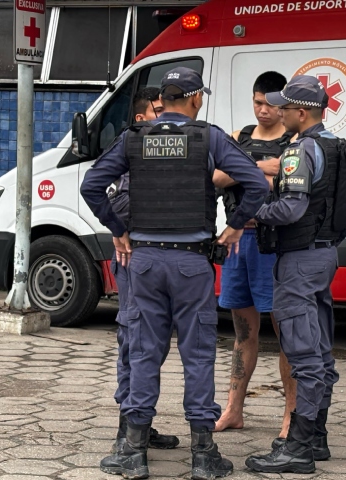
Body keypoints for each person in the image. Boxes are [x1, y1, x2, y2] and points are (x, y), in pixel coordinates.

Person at [80, 67, 269, 480]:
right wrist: (235, 226)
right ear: (196, 98)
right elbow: (257, 183)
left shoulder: (133, 138)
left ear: (162, 100)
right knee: (197, 354)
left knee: (144, 352)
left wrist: (119, 229)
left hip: (144, 261)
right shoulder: (210, 137)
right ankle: (203, 456)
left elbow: (92, 185)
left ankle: (133, 452)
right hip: (191, 263)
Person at [244, 75, 346, 474]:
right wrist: (326, 238)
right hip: (324, 257)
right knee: (320, 347)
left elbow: (290, 210)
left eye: (283, 107)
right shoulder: (340, 148)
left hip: (297, 260)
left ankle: (296, 449)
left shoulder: (299, 151)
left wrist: (252, 213)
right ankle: (317, 439)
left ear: (300, 112)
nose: (277, 111)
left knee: (304, 354)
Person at [212, 71, 298, 443]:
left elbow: (285, 176)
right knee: (242, 332)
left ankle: (292, 417)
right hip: (237, 242)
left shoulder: (295, 140)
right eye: (257, 102)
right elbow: (215, 177)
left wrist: (244, 169)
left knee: (287, 334)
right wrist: (260, 169)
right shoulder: (238, 137)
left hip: (275, 244)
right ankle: (233, 411)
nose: (262, 110)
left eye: (269, 104)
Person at [105, 87, 178, 469]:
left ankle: (140, 423)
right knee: (135, 343)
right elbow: (115, 200)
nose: (168, 117)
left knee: (155, 346)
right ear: (141, 118)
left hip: (159, 263)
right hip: (135, 260)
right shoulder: (133, 149)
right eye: (160, 110)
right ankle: (127, 432)